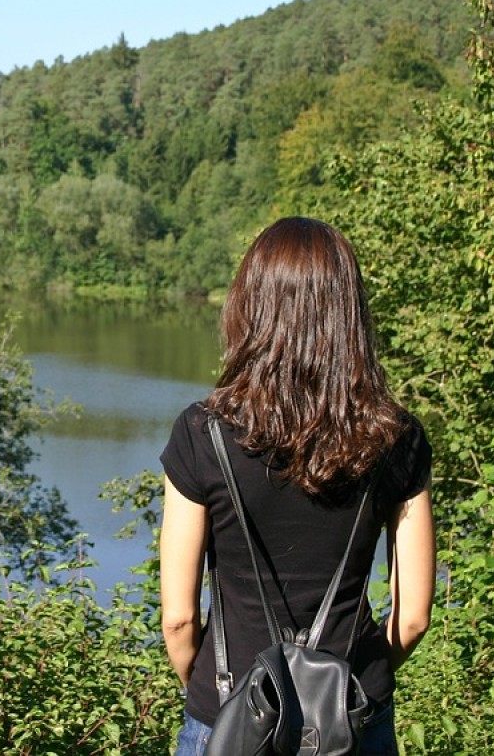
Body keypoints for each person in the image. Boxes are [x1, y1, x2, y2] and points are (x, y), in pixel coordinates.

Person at [159, 217, 435, 756]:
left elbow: (179, 618)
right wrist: (359, 681)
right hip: (353, 720)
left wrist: (218, 695)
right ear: (348, 311)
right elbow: (414, 615)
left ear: (250, 305)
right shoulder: (397, 438)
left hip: (229, 714)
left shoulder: (202, 433)